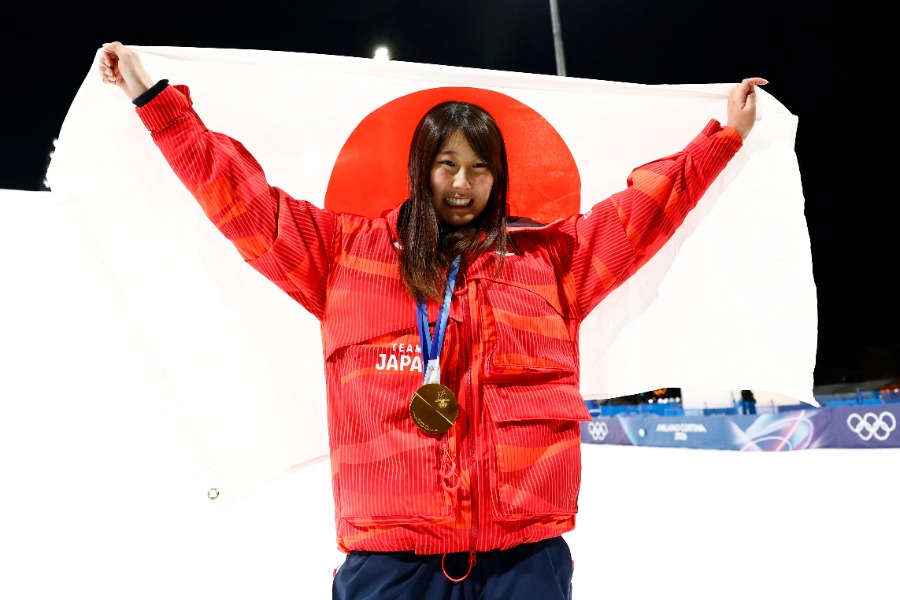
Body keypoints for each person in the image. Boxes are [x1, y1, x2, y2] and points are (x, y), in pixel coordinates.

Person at [98, 40, 765, 600]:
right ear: (422, 168)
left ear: (499, 179)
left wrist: (723, 139)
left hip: (523, 562)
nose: (462, 184)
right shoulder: (343, 256)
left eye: (479, 169)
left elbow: (644, 215)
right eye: (447, 164)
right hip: (392, 565)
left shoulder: (551, 263)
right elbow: (240, 199)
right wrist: (156, 103)